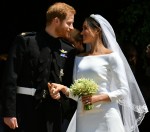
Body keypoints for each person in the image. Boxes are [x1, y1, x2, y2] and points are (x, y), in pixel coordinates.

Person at [48, 14, 149, 132]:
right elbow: (78, 96)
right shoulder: (79, 58)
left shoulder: (112, 57)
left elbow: (124, 90)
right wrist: (64, 89)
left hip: (106, 116)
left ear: (97, 31)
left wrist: (97, 98)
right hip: (83, 117)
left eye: (85, 28)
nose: (81, 33)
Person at [2, 2, 78, 132]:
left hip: (52, 114)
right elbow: (10, 77)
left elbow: (68, 83)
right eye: (69, 23)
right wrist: (9, 112)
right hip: (24, 109)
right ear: (56, 21)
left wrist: (60, 97)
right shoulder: (26, 41)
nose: (71, 27)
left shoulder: (68, 50)